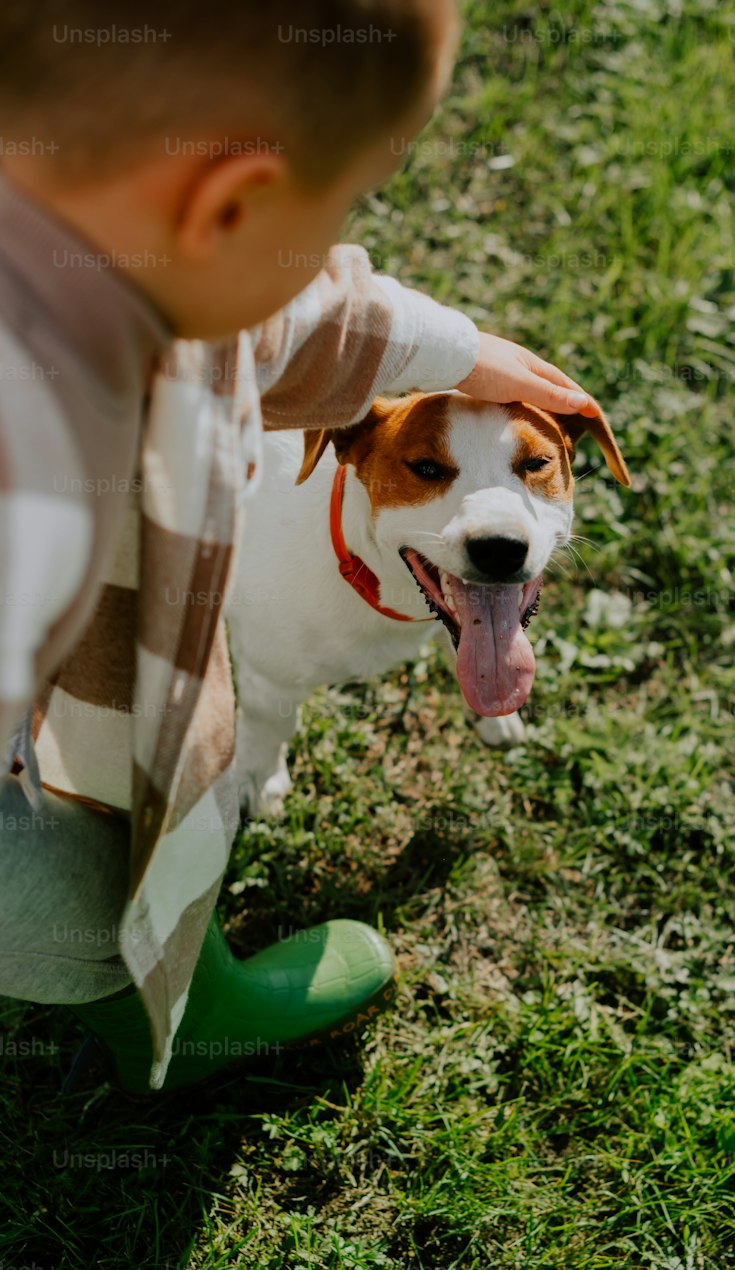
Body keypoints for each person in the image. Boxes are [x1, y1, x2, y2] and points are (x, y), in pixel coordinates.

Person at [0, 0, 600, 1095]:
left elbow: (280, 319)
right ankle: (159, 1002)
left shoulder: (123, 234)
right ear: (228, 209)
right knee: (91, 890)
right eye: (341, 213)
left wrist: (459, 347)